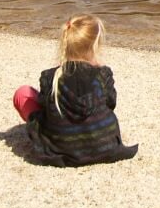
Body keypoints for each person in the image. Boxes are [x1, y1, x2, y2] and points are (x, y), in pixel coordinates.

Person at [13, 14, 138, 167]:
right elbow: (111, 103)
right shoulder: (103, 74)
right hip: (105, 147)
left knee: (23, 93)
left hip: (60, 149)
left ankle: (66, 133)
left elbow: (46, 106)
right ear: (95, 46)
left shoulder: (50, 77)